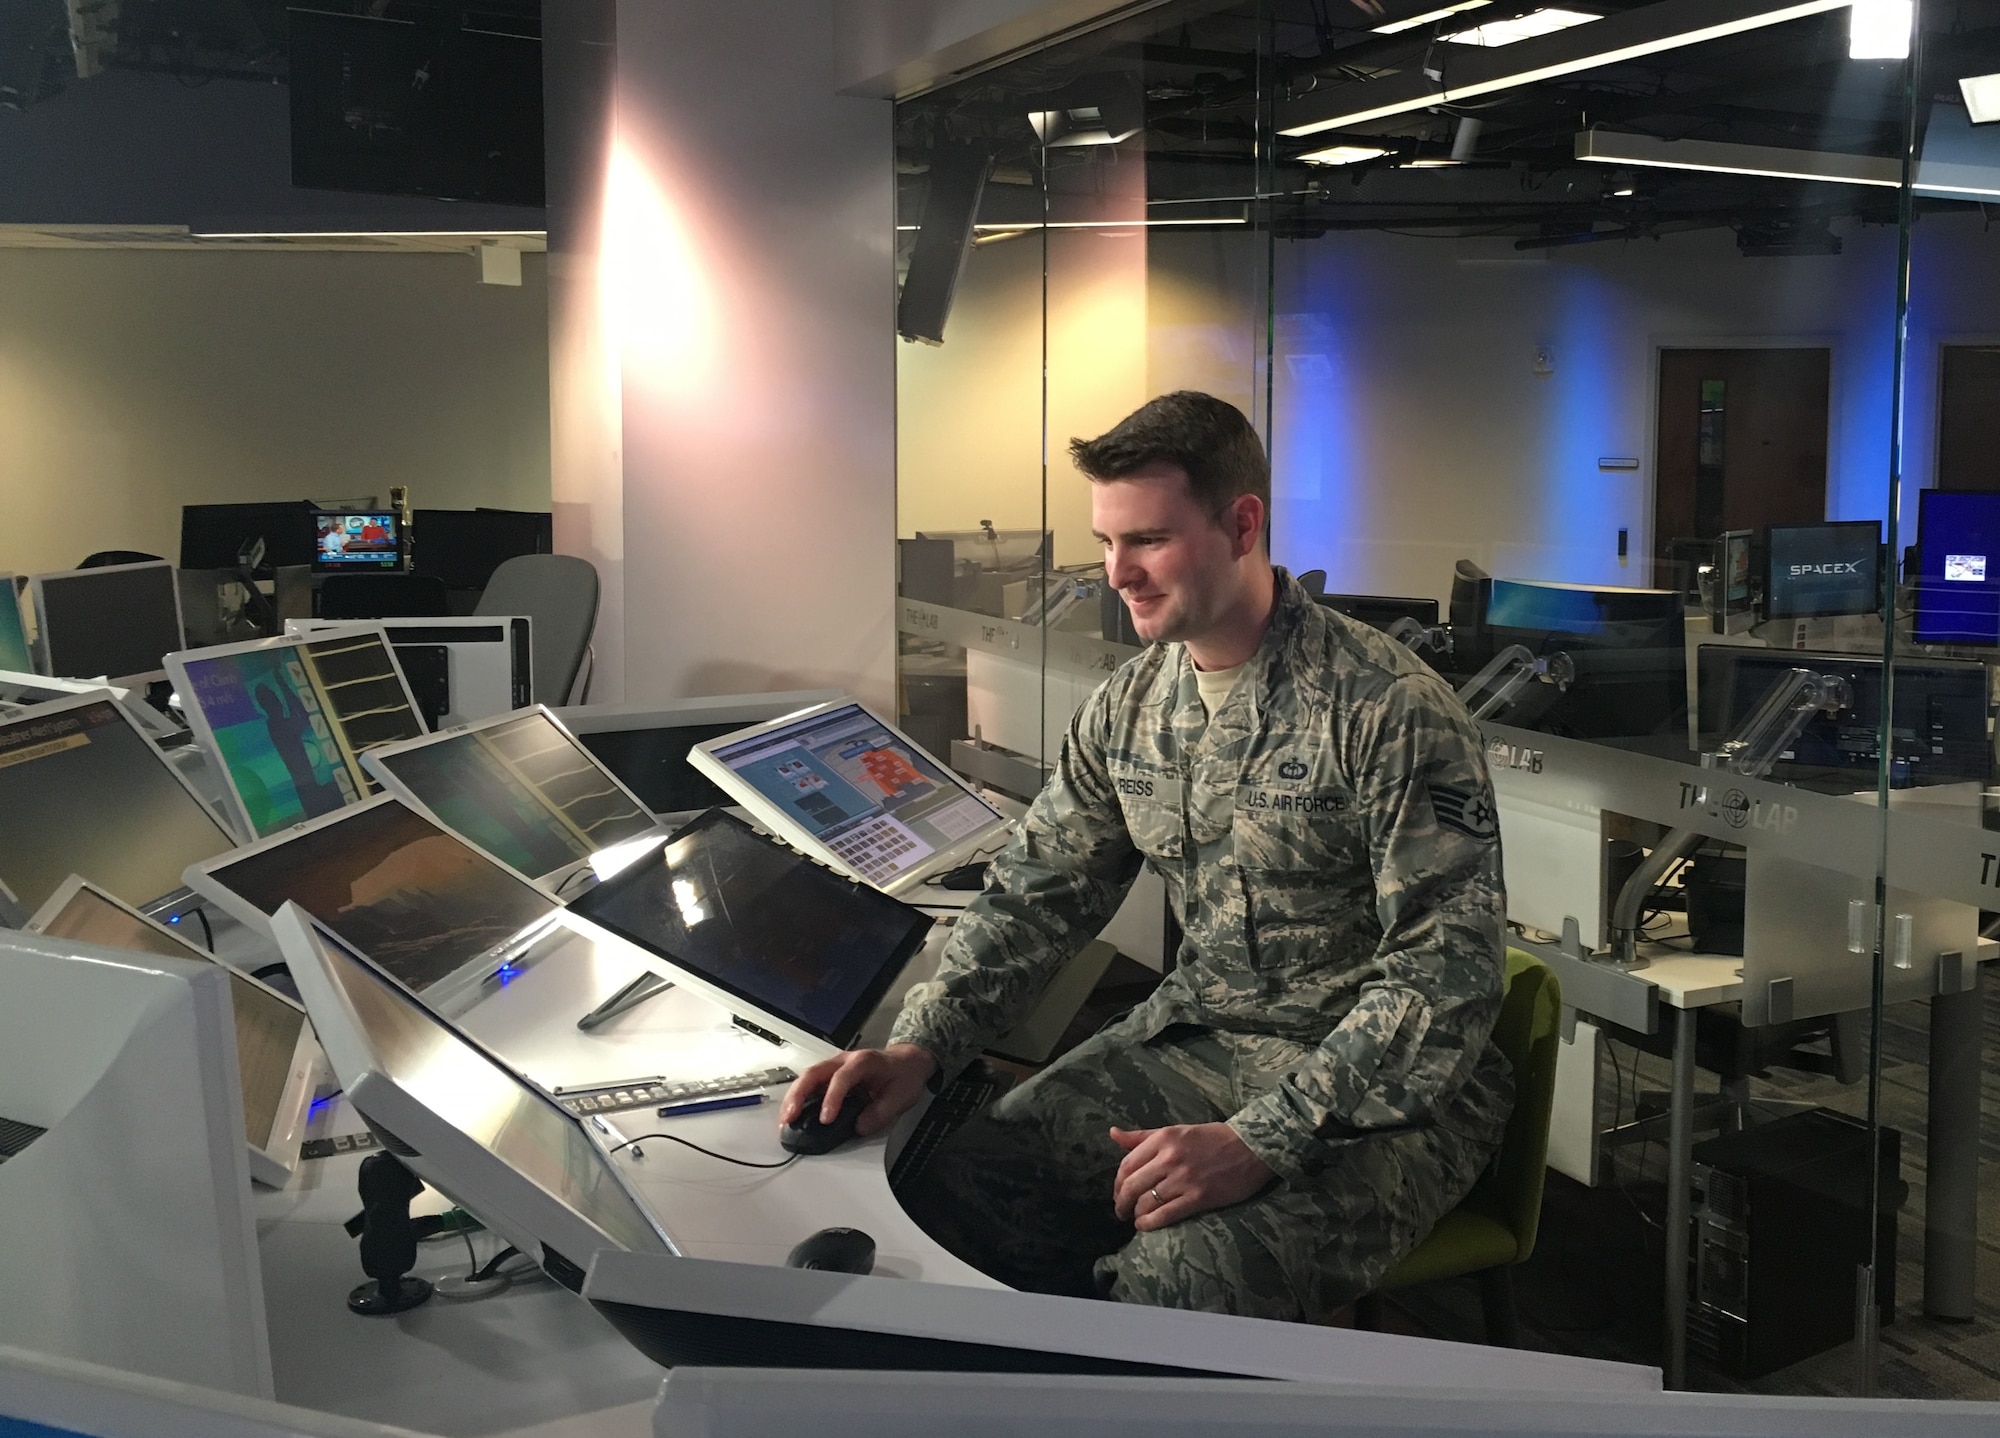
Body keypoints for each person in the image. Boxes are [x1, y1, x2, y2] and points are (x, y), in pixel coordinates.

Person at [782, 390, 1513, 1321]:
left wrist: (1262, 1138)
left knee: (1185, 1277)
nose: (1116, 572)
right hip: (1204, 1038)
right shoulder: (1130, 707)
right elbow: (1036, 897)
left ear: (1241, 524)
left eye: (1148, 541)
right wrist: (923, 1044)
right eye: (1106, 542)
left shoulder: (1385, 708)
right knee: (949, 1175)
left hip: (1384, 1088)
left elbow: (1443, 981)